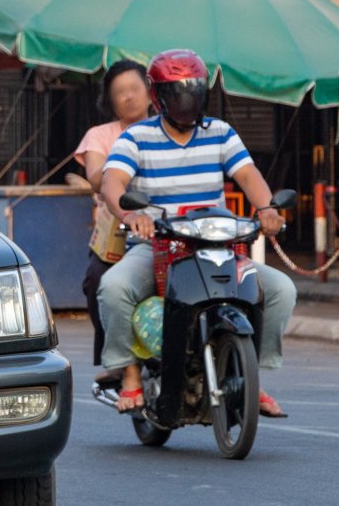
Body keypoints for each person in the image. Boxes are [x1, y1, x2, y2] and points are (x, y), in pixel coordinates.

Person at [98, 50, 296, 417]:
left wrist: (267, 209)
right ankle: (129, 374)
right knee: (114, 288)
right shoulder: (136, 137)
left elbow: (248, 175)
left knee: (281, 289)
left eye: (193, 93)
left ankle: (252, 376)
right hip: (156, 245)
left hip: (215, 246)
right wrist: (130, 214)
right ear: (159, 96)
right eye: (177, 94)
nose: (186, 102)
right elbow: (112, 181)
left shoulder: (220, 132)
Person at [73, 59, 150, 382]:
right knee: (97, 280)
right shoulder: (100, 135)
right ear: (110, 100)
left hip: (163, 225)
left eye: (134, 88)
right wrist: (117, 175)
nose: (128, 96)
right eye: (120, 92)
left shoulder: (165, 130)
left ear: (150, 92)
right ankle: (116, 358)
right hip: (116, 230)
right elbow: (95, 176)